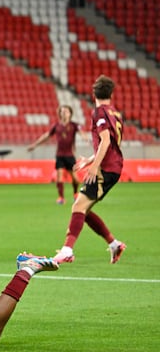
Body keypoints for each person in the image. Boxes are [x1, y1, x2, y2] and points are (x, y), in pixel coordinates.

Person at [53, 75, 126, 265]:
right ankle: (114, 244)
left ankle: (67, 250)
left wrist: (94, 166)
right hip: (113, 166)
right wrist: (90, 160)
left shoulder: (99, 112)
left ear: (93, 93)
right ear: (111, 93)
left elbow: (106, 141)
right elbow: (113, 144)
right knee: (82, 210)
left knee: (78, 206)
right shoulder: (115, 114)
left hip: (105, 169)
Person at [28, 105, 85, 204]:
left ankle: (75, 194)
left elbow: (81, 132)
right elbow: (46, 136)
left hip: (70, 155)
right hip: (60, 155)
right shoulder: (56, 126)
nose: (64, 113)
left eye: (66, 111)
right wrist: (35, 144)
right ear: (59, 113)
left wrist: (86, 138)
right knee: (59, 176)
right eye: (62, 111)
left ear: (70, 113)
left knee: (75, 179)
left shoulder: (74, 125)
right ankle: (61, 197)